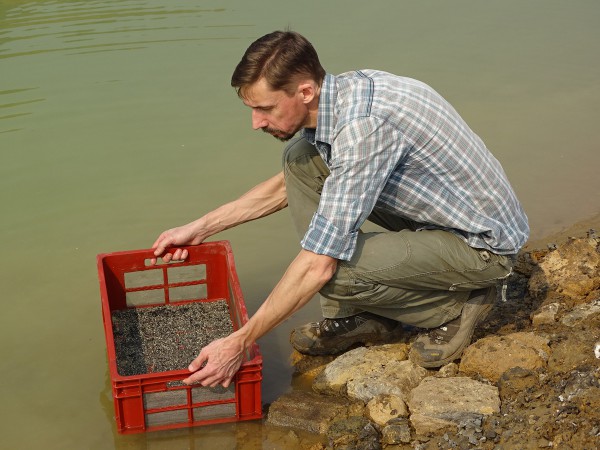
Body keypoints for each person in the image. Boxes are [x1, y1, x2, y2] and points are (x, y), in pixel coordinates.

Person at [151, 30, 529, 387]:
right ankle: (358, 313)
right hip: (442, 215)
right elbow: (285, 187)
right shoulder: (342, 93)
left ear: (304, 91)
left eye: (265, 108)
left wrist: (239, 342)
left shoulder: (363, 128)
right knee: (301, 159)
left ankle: (453, 306)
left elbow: (318, 265)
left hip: (482, 247)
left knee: (330, 271)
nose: (255, 123)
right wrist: (199, 228)